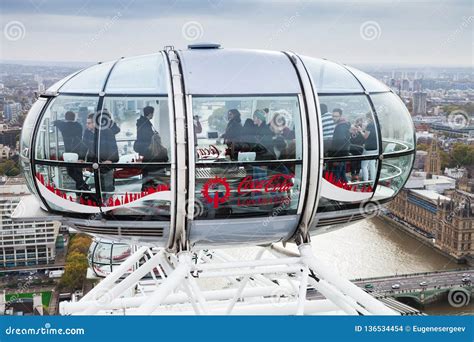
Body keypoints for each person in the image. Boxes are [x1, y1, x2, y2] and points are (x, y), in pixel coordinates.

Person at [53, 111, 89, 191]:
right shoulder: (79, 126)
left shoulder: (63, 126)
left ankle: (85, 187)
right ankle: (79, 192)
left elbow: (56, 122)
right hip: (79, 150)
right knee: (78, 172)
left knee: (70, 172)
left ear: (65, 118)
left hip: (69, 152)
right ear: (74, 117)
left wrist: (62, 120)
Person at [330, 108, 351, 182]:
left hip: (339, 155)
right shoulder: (344, 125)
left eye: (336, 116)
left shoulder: (340, 127)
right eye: (333, 116)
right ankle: (346, 188)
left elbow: (340, 142)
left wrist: (336, 158)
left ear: (341, 116)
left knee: (336, 177)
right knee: (342, 175)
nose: (334, 118)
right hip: (343, 155)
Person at [360, 113, 378, 182]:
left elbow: (365, 136)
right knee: (372, 164)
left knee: (364, 165)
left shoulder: (370, 125)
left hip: (369, 147)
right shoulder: (378, 124)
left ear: (370, 117)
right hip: (376, 147)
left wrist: (360, 131)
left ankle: (366, 181)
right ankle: (373, 180)